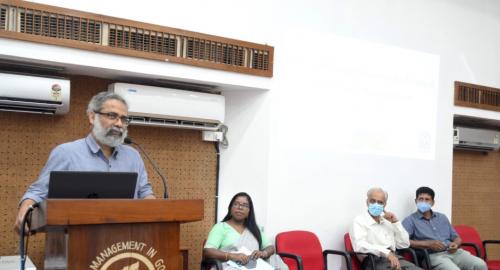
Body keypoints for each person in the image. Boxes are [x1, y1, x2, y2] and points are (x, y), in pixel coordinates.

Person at [14, 91, 156, 231]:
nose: (119, 123)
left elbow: (144, 192)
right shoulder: (66, 153)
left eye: (124, 119)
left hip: (126, 241)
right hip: (75, 240)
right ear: (92, 117)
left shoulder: (133, 156)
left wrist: (159, 213)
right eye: (112, 116)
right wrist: (25, 208)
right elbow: (38, 192)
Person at [402, 187, 487, 270]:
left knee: (480, 265)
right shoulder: (410, 220)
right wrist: (428, 244)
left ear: (432, 202)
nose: (424, 201)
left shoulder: (442, 217)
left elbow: (457, 238)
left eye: (427, 199)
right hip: (432, 256)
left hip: (454, 253)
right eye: (421, 199)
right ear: (416, 201)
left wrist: (455, 244)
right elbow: (403, 242)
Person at [203, 192, 288, 270]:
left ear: (249, 211)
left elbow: (270, 248)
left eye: (245, 205)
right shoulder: (220, 227)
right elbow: (208, 251)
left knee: (275, 259)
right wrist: (231, 256)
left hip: (254, 265)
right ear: (230, 208)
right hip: (229, 265)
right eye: (236, 204)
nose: (240, 207)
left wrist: (263, 253)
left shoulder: (254, 229)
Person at [351, 187, 422, 270]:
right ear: (367, 202)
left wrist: (396, 223)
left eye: (380, 202)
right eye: (373, 201)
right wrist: (386, 253)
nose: (376, 204)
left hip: (396, 258)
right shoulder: (359, 220)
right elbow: (359, 245)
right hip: (373, 261)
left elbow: (404, 244)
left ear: (384, 205)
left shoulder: (387, 221)